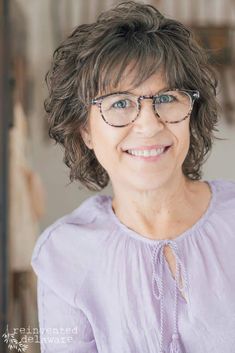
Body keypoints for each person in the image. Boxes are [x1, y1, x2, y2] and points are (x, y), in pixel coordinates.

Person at [31, 1, 235, 352]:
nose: (148, 125)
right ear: (86, 132)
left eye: (168, 98)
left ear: (191, 113)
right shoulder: (63, 254)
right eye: (120, 103)